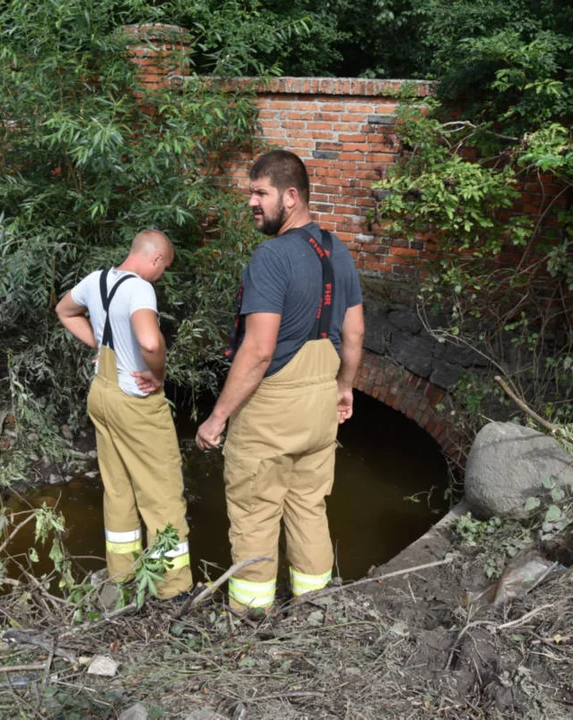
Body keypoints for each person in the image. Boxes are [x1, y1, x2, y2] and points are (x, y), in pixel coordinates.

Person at [196, 150, 364, 613]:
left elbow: (258, 351)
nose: (250, 201)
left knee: (255, 512)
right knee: (310, 507)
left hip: (271, 412)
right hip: (318, 408)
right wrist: (344, 388)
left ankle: (251, 618)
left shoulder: (270, 257)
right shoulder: (338, 250)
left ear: (291, 197)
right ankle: (316, 609)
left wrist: (218, 417)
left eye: (259, 192)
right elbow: (354, 334)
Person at [55, 229, 191, 600]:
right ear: (156, 260)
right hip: (135, 401)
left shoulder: (94, 280)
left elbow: (64, 311)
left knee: (118, 490)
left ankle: (122, 577)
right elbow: (150, 341)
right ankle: (171, 588)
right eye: (163, 268)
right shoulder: (140, 289)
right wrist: (158, 374)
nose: (160, 276)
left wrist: (97, 344)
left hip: (101, 394)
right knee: (162, 493)